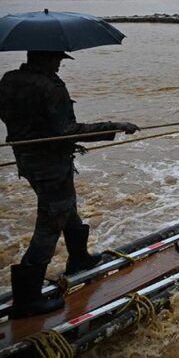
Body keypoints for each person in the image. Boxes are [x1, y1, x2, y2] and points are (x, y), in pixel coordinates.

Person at [0, 51, 139, 318]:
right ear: (46, 59)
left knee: (63, 206)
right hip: (51, 163)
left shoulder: (8, 80)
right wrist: (115, 126)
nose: (59, 66)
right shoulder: (51, 86)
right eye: (57, 61)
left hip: (27, 160)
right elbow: (66, 130)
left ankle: (78, 258)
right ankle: (27, 299)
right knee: (51, 221)